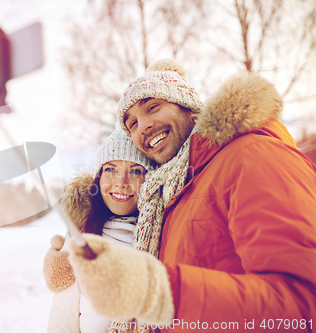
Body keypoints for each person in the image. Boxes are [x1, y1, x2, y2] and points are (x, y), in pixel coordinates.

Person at [66, 59, 316, 333]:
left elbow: (304, 309)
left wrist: (158, 292)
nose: (144, 126)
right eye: (132, 123)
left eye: (154, 107)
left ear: (189, 108)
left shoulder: (252, 156)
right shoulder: (171, 192)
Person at [45, 128, 153, 333]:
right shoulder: (80, 237)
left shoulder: (161, 236)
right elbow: (62, 319)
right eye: (111, 169)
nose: (121, 183)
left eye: (136, 171)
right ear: (99, 177)